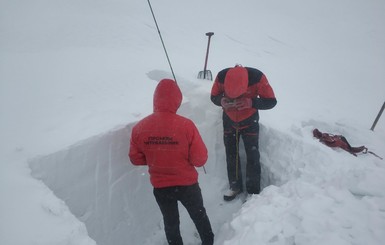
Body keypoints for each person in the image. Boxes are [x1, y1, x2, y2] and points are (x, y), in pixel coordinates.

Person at [129, 79, 214, 245]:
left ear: (155, 99)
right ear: (177, 100)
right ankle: (208, 241)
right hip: (188, 185)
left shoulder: (140, 127)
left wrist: (156, 157)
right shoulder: (186, 126)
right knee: (199, 215)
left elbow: (135, 158)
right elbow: (200, 159)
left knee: (170, 222)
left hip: (161, 188)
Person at [210, 65, 277, 201]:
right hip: (229, 120)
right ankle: (235, 186)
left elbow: (271, 101)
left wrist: (251, 102)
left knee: (252, 155)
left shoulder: (257, 77)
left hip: (249, 121)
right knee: (231, 154)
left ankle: (253, 193)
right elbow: (214, 96)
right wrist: (221, 101)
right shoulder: (221, 76)